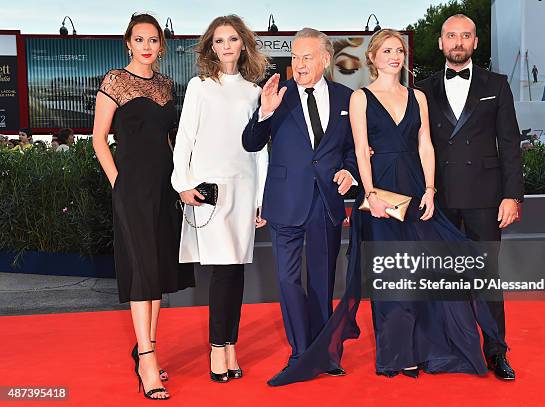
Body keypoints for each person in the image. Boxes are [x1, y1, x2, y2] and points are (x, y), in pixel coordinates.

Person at [242, 27, 358, 385]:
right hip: (285, 201)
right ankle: (299, 351)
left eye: (307, 57)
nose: (299, 63)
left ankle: (324, 352)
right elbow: (250, 142)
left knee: (323, 281)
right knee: (288, 280)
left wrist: (350, 172)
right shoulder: (277, 95)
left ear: (325, 59)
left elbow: (354, 148)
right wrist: (264, 112)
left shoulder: (346, 98)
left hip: (326, 202)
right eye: (295, 56)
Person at [92, 13, 195, 400]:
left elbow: (167, 142)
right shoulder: (115, 81)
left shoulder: (167, 85)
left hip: (164, 187)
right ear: (128, 43)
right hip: (132, 188)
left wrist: (179, 180)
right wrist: (119, 184)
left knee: (158, 271)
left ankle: (146, 346)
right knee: (141, 271)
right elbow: (99, 139)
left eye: (153, 40)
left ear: (160, 45)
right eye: (140, 39)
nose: (147, 46)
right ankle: (147, 358)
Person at [417, 14, 524, 380]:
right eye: (451, 35)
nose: (458, 42)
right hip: (439, 198)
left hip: (485, 198)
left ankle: (496, 352)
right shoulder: (423, 88)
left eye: (465, 35)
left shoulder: (498, 84)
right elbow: (412, 140)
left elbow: (510, 144)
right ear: (441, 42)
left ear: (476, 42)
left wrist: (512, 195)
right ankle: (448, 349)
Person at [171, 15, 268, 384]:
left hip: (244, 188)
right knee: (223, 268)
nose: (226, 46)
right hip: (209, 190)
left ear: (243, 43)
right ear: (211, 47)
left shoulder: (254, 92)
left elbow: (259, 152)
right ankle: (217, 347)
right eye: (219, 40)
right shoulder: (200, 87)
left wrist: (261, 199)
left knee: (236, 267)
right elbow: (186, 138)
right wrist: (182, 183)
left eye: (232, 39)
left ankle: (230, 345)